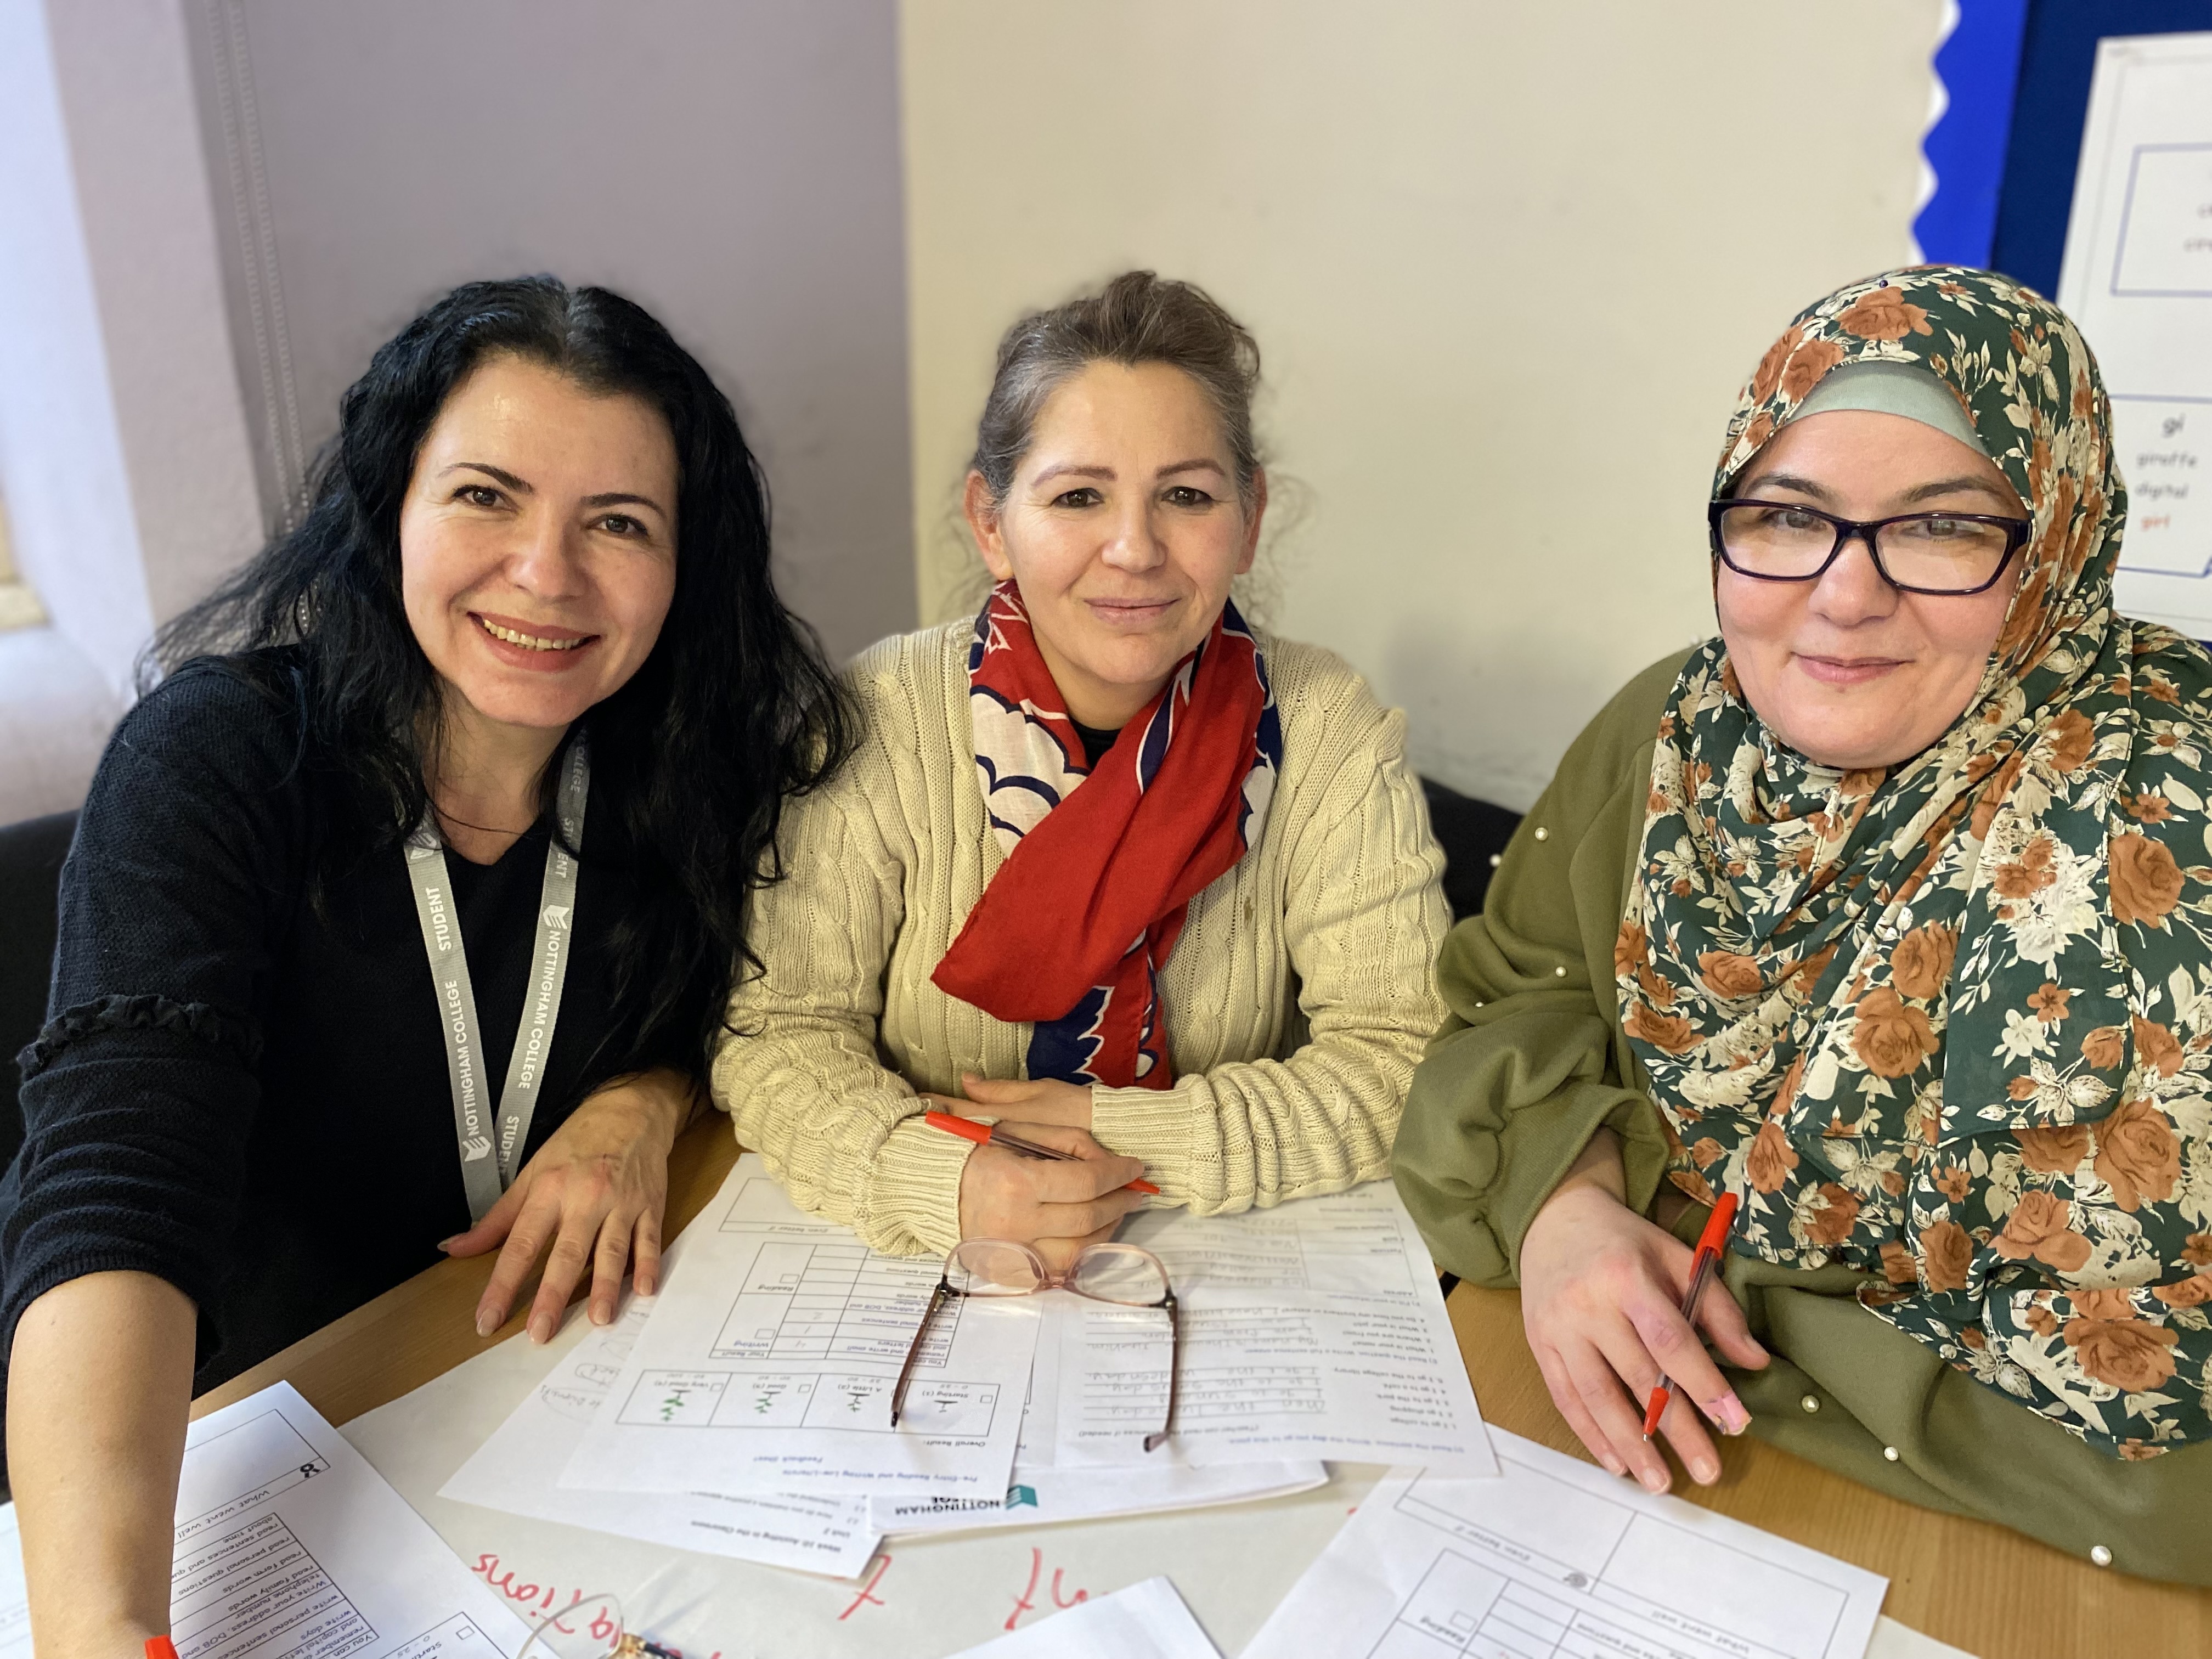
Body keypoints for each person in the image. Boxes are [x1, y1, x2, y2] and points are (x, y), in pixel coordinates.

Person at [1, 276, 851, 1640]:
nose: (547, 573)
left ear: (684, 565)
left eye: (618, 524)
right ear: (386, 505)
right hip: (238, 1427)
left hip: (528, 1398)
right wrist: (104, 1633)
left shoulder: (684, 771)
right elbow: (115, 1189)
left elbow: (767, 1005)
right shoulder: (219, 762)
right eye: (485, 497)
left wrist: (645, 1098)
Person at [1393, 264, 2212, 1584]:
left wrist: (1749, 1322)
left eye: (1943, 530)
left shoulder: (2169, 825)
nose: (1842, 594)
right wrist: (1565, 1208)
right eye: (1786, 516)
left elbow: (2163, 1435)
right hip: (1605, 1475)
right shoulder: (1679, 729)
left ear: (2058, 543)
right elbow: (1518, 993)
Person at [718, 271, 1450, 1264]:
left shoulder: (1326, 728)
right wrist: (943, 1179)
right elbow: (781, 1032)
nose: (1135, 548)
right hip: (924, 1260)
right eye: (1078, 496)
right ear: (991, 521)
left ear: (1251, 517)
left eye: (1186, 495)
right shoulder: (879, 716)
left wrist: (1121, 1132)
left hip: (1224, 1263)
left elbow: (1403, 1058)